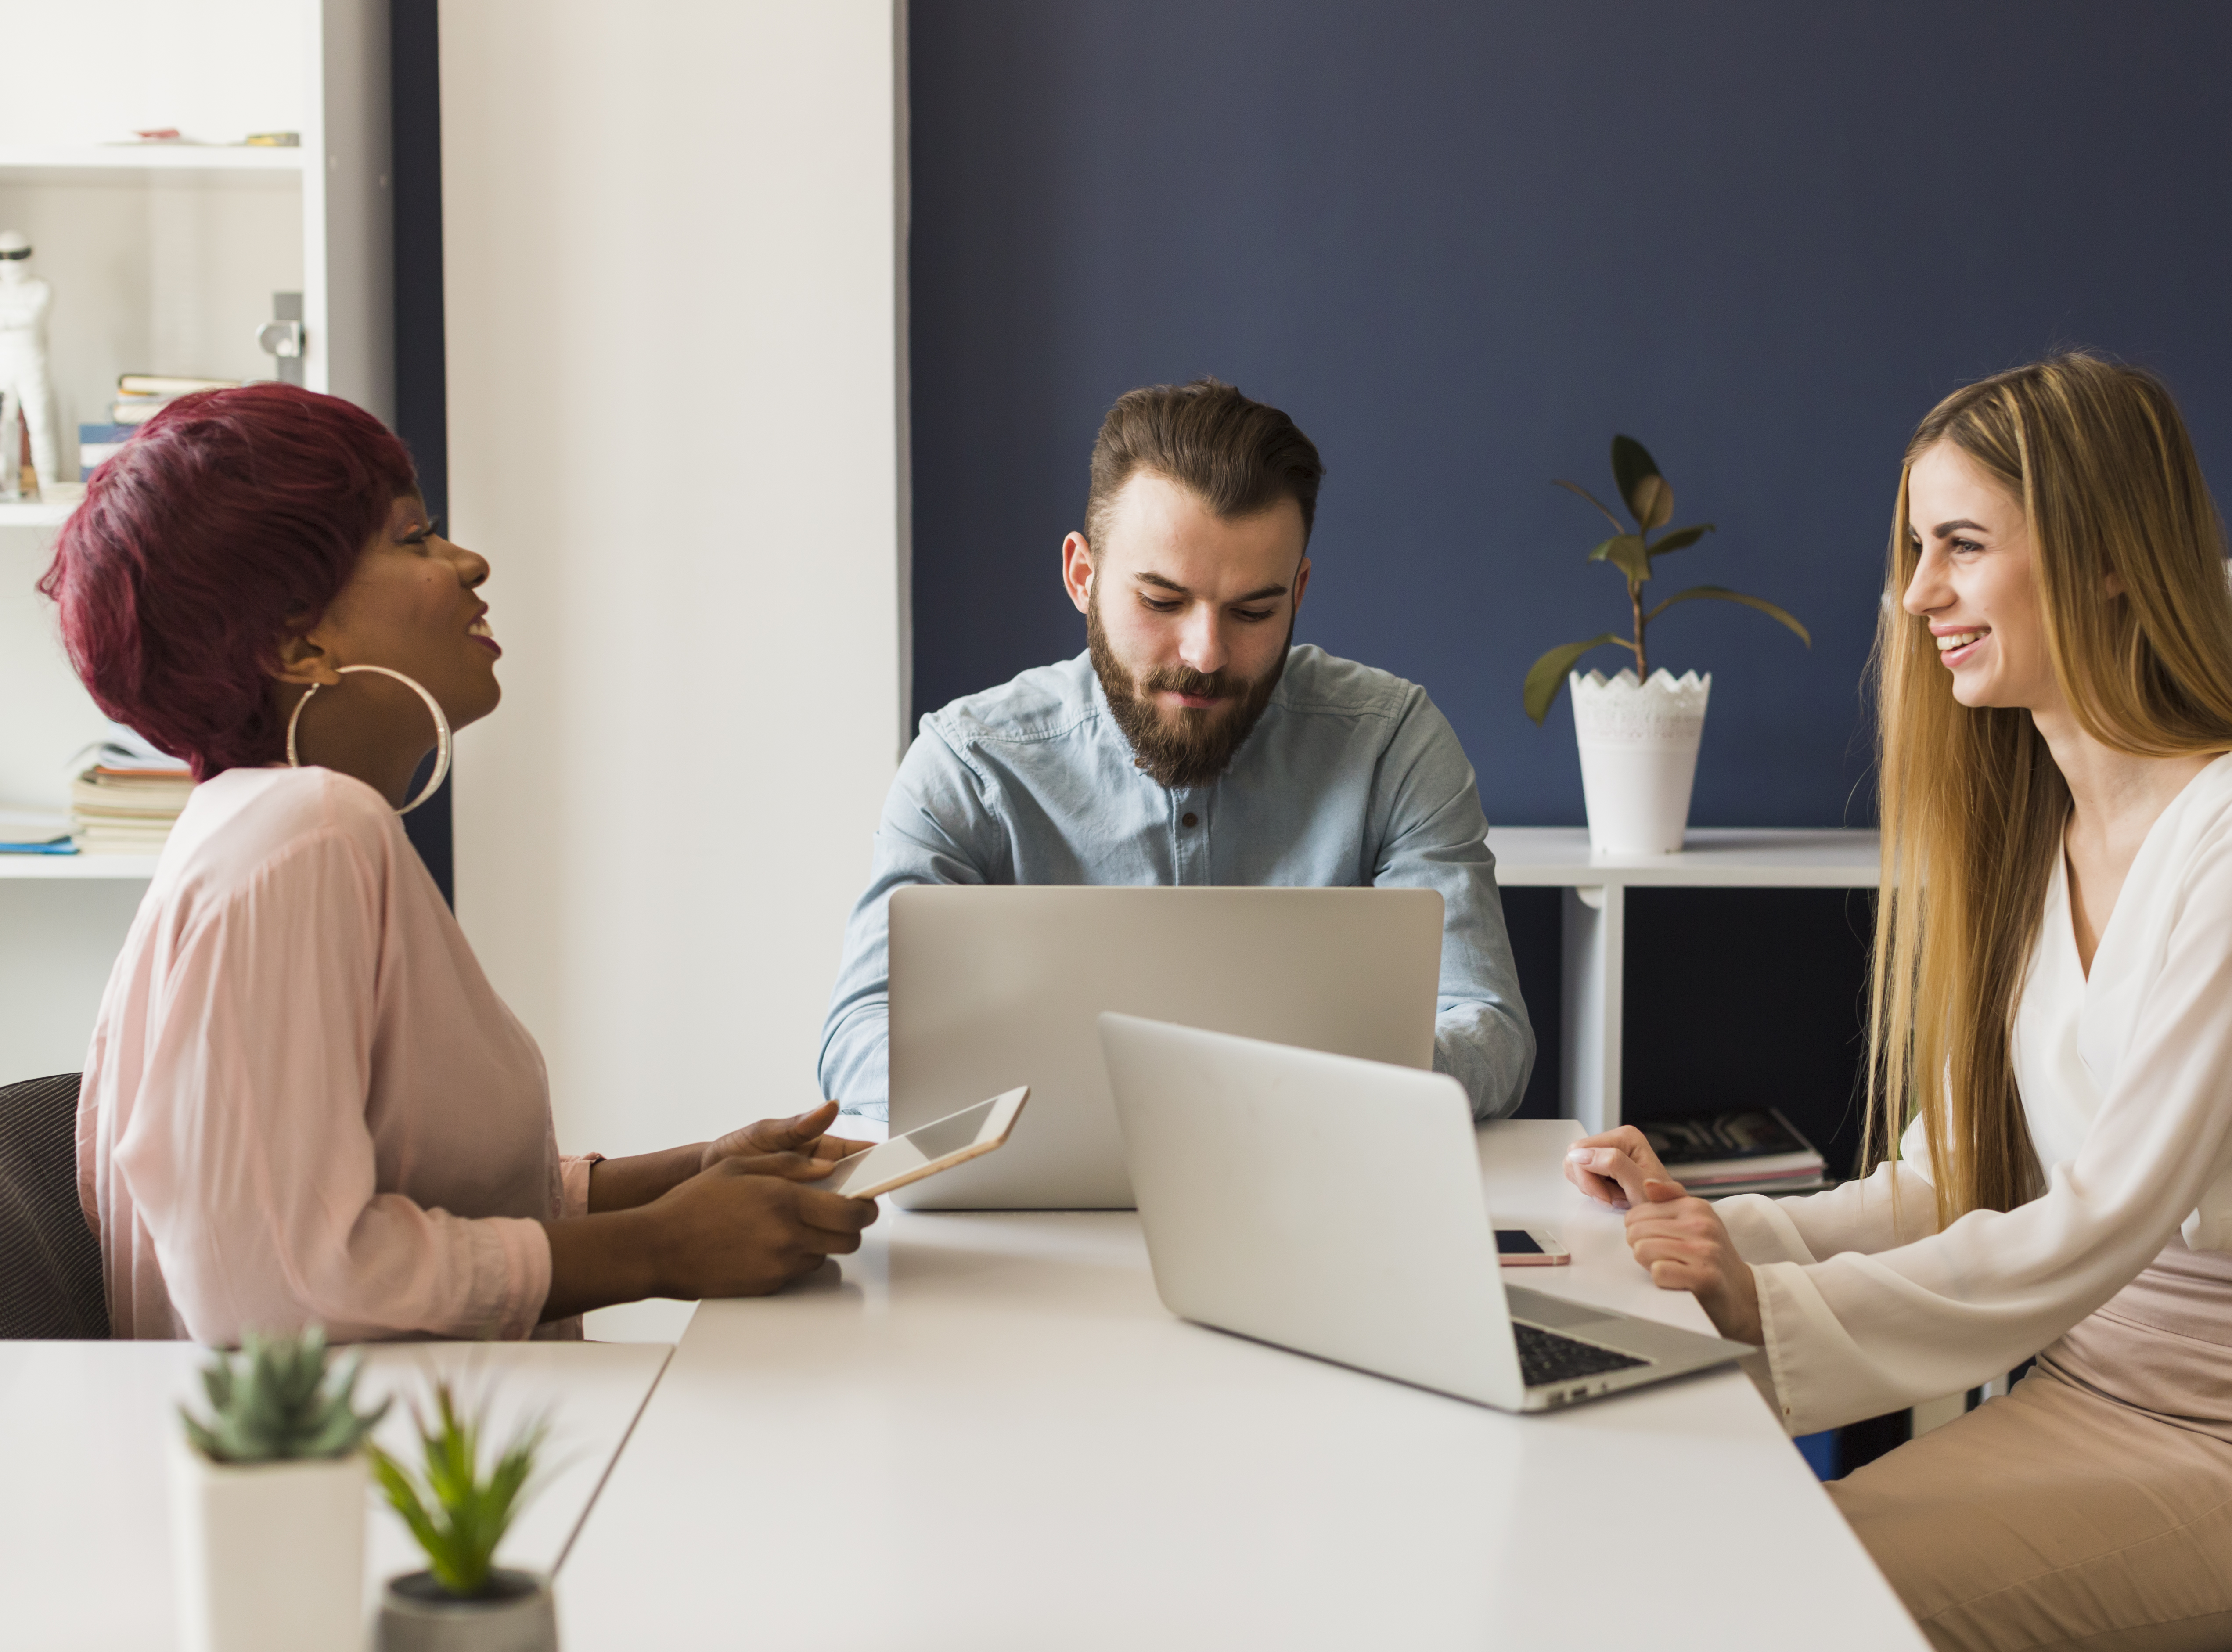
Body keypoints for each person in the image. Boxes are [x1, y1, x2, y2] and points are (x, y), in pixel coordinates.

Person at [1565, 355, 2232, 1652]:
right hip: (2082, 1393)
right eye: (1915, 549)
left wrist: (1764, 1306)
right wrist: (1717, 1233)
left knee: (1781, 1612)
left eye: (1961, 545)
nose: (1917, 595)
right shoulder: (2047, 839)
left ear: (2111, 555)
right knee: (1711, 1568)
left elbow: (2108, 1214)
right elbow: (1946, 1182)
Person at [48, 384, 878, 1343]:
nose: (470, 562)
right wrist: (657, 1250)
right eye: (415, 539)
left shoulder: (261, 827)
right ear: (297, 641)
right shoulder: (308, 834)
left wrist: (689, 1178)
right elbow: (279, 1285)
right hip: (392, 1478)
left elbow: (413, 1193)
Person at [820, 378, 1534, 1121]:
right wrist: (1123, 1102)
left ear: (1299, 590)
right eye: (1161, 602)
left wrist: (1295, 1091)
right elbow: (860, 1037)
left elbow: (1490, 1030)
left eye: (1255, 610)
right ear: (1082, 577)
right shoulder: (971, 766)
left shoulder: (1392, 743)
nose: (1206, 653)